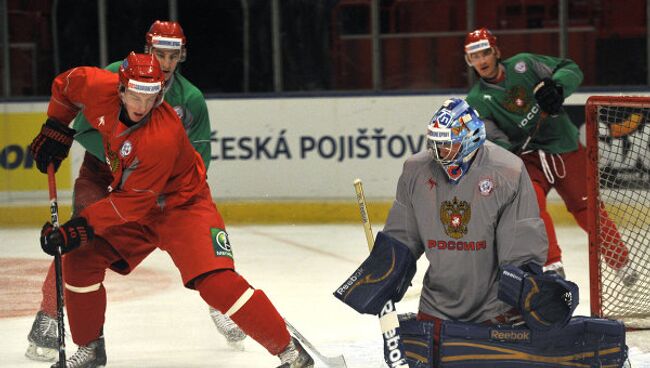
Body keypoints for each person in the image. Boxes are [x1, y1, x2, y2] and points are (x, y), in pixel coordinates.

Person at [28, 52, 313, 368]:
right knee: (79, 260)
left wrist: (78, 227)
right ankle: (90, 348)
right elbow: (65, 86)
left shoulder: (161, 135)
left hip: (182, 207)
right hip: (135, 204)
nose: (141, 106)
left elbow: (133, 203)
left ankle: (292, 353)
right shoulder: (95, 85)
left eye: (151, 97)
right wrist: (56, 125)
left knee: (216, 283)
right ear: (120, 87)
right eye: (135, 94)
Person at [335, 98, 627, 368]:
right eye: (435, 144)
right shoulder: (416, 171)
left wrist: (528, 285)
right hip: (437, 307)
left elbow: (520, 241)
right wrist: (384, 271)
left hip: (493, 311)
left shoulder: (507, 171)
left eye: (446, 145)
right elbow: (403, 235)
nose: (439, 153)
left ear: (470, 139)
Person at [25, 20, 246, 362]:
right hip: (103, 172)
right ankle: (49, 316)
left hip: (154, 185)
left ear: (182, 56)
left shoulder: (191, 100)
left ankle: (220, 302)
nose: (167, 62)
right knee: (78, 235)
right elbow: (83, 118)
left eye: (173, 55)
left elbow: (199, 158)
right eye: (160, 53)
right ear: (148, 50)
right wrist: (59, 128)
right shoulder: (119, 75)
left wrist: (171, 191)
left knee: (200, 242)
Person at [463, 27, 637, 284]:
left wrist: (556, 87)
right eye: (473, 57)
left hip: (564, 146)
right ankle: (552, 264)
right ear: (469, 61)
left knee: (586, 208)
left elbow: (570, 68)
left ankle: (621, 263)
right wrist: (507, 148)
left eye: (485, 53)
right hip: (530, 158)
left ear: (496, 51)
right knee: (530, 205)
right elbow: (492, 136)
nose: (481, 61)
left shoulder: (525, 64)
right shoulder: (477, 99)